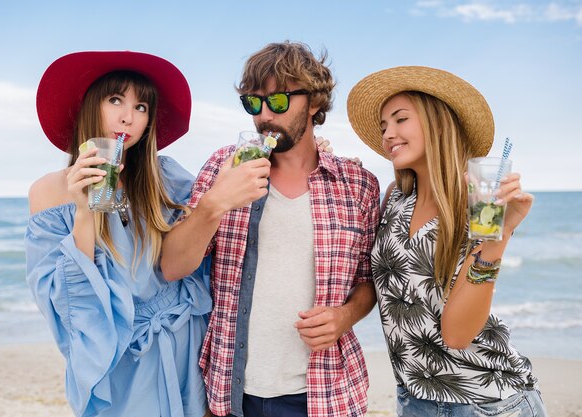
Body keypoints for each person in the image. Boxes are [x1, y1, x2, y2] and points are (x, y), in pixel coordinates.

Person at [160, 41, 380, 417]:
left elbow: (370, 280)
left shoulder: (358, 184)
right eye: (253, 103)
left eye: (278, 101)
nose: (264, 116)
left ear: (313, 102)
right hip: (230, 393)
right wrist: (214, 204)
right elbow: (171, 267)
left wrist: (344, 317)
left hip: (325, 394)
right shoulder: (221, 167)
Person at [346, 66, 547, 416]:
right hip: (415, 400)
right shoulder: (395, 199)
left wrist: (499, 237)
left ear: (437, 124)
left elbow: (456, 335)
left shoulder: (479, 205)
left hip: (489, 403)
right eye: (383, 126)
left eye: (400, 120)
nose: (388, 134)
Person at [25, 51, 216, 417]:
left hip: (186, 339)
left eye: (141, 106)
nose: (129, 116)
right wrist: (83, 211)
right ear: (89, 106)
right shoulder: (49, 191)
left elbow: (220, 219)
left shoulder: (165, 177)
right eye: (116, 100)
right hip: (120, 354)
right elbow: (67, 305)